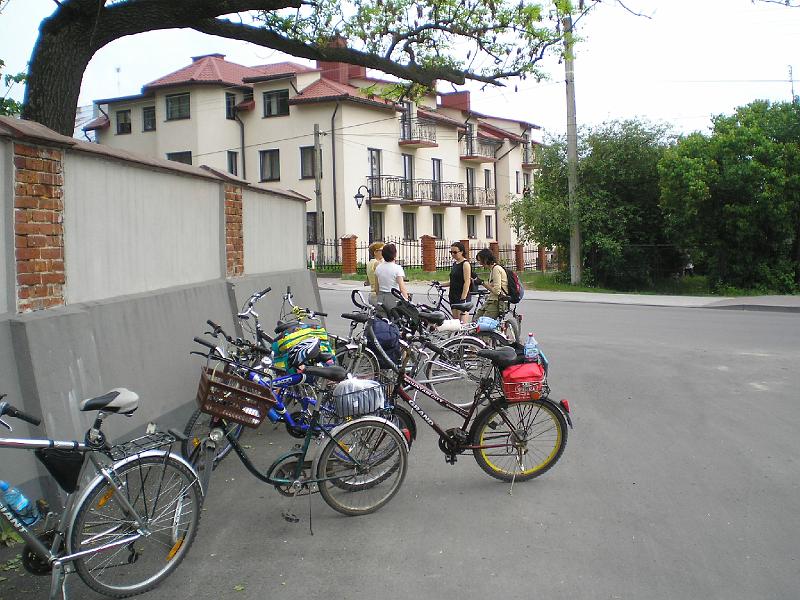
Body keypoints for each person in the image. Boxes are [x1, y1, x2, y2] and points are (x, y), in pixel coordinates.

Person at [439, 242, 472, 322]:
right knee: (456, 322)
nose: (453, 254)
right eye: (451, 252)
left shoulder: (465, 264)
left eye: (455, 252)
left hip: (461, 295)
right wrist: (440, 285)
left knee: (462, 323)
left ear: (462, 252)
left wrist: (463, 298)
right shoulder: (455, 264)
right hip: (453, 295)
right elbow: (453, 281)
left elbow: (467, 282)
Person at [475, 248, 508, 319]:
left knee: (483, 322)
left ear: (486, 259)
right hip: (491, 300)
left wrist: (482, 283)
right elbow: (492, 285)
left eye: (480, 261)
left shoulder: (496, 269)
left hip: (497, 301)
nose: (480, 264)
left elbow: (497, 291)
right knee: (476, 319)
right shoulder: (493, 269)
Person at [375, 243, 408, 310]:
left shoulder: (378, 267)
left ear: (383, 254)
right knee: (394, 315)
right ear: (395, 254)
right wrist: (406, 300)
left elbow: (377, 287)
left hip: (381, 297)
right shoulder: (397, 268)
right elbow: (402, 288)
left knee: (382, 315)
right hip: (393, 297)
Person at [364, 241, 385, 305]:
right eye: (382, 250)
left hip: (372, 294)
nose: (384, 252)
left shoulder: (369, 263)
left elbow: (367, 282)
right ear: (375, 252)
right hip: (378, 295)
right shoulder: (377, 263)